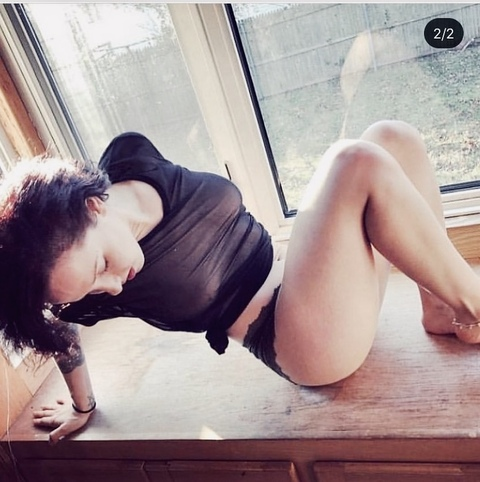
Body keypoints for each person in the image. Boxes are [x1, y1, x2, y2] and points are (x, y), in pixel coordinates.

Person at [2, 120, 480, 445]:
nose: (111, 288)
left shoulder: (130, 157)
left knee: (392, 137)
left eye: (100, 267)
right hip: (303, 339)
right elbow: (57, 328)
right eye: (90, 291)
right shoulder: (84, 289)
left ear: (94, 205)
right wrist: (84, 407)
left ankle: (441, 307)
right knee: (355, 160)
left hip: (318, 282)